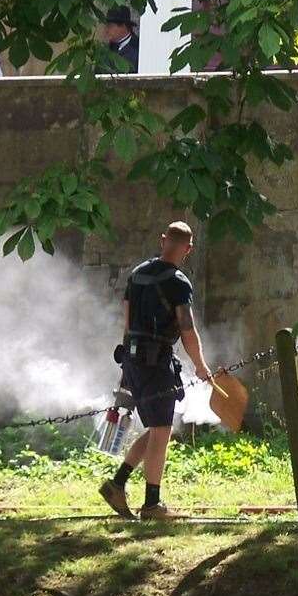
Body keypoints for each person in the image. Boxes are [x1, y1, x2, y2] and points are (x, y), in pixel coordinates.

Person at [99, 221, 214, 521]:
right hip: (156, 363)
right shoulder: (178, 282)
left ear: (163, 240)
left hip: (133, 361)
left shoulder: (137, 274)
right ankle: (152, 505)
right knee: (162, 430)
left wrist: (126, 369)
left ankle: (117, 483)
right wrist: (201, 367)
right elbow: (187, 330)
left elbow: (127, 323)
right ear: (188, 249)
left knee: (157, 429)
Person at [102, 5, 140, 73]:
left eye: (110, 26)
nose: (106, 30)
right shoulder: (104, 50)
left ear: (123, 26)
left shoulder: (139, 49)